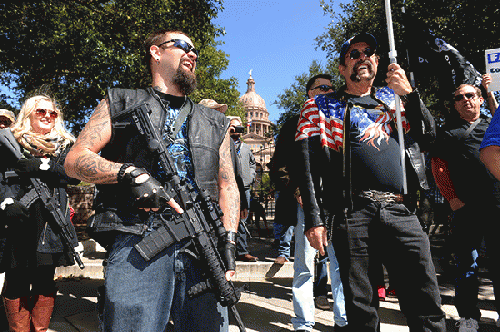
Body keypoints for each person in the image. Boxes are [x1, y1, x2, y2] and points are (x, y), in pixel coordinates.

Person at [64, 29, 240, 332]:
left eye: (195, 49)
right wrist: (130, 174)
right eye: (183, 45)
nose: (192, 54)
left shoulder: (216, 122)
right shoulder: (120, 101)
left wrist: (229, 242)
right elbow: (74, 159)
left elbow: (228, 186)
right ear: (155, 53)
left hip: (203, 244)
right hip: (137, 237)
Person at [295, 33, 446, 331]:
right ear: (342, 67)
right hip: (354, 212)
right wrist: (314, 219)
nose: (362, 57)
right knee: (361, 305)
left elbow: (429, 136)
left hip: (400, 210)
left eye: (369, 52)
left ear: (378, 61)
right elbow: (307, 167)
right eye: (354, 54)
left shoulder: (393, 99)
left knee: (424, 294)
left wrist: (410, 94)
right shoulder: (320, 107)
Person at [0, 95, 79, 331]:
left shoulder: (65, 145)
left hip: (50, 224)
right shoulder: (9, 141)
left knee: (45, 281)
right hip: (18, 220)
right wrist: (5, 202)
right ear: (28, 114)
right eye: (40, 111)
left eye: (52, 113)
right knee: (16, 280)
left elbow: (74, 174)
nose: (47, 116)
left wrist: (44, 166)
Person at [432, 81, 500, 331]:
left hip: (496, 206)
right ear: (455, 105)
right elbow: (438, 167)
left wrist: (492, 89)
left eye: (470, 95)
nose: (465, 100)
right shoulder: (448, 133)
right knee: (466, 264)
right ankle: (469, 317)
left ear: (480, 99)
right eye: (459, 97)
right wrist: (452, 199)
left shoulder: (493, 126)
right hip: (465, 209)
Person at [228, 117, 258, 262]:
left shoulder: (246, 148)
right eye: (234, 127)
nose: (237, 130)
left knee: (242, 219)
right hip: (227, 186)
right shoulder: (223, 144)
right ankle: (227, 250)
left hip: (244, 187)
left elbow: (253, 164)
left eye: (239, 127)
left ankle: (242, 250)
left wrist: (250, 177)